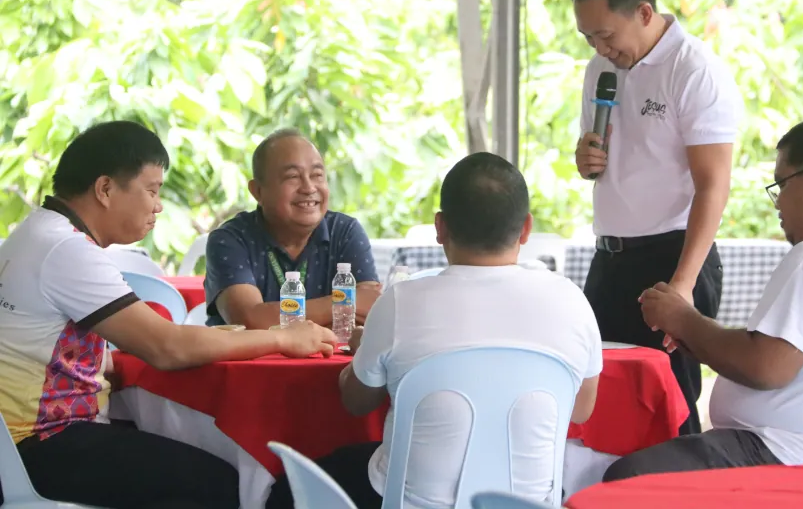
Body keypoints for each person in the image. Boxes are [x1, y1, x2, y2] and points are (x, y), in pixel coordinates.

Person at [0, 121, 334, 509]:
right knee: (220, 486)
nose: (158, 205)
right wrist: (283, 337)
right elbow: (167, 347)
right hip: (40, 443)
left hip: (25, 438)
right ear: (105, 189)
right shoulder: (67, 250)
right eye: (151, 190)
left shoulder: (37, 232)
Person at [266, 152, 604, 509]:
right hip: (526, 503)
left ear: (439, 228)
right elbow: (580, 409)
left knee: (285, 490)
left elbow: (356, 402)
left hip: (406, 502)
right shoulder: (572, 302)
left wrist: (360, 352)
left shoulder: (402, 302)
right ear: (526, 229)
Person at [603, 117, 803, 480]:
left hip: (780, 453)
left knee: (627, 479)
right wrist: (697, 337)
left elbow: (766, 366)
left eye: (782, 185)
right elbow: (794, 352)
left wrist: (683, 318)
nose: (777, 205)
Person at [572, 0, 743, 434]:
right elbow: (604, 155)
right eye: (588, 37)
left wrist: (683, 288)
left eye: (606, 34)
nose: (599, 47)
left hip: (673, 260)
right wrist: (586, 159)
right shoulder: (598, 71)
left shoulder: (693, 71)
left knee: (670, 414)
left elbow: (714, 185)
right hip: (610, 257)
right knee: (599, 402)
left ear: (644, 13)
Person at [205, 128, 381, 328]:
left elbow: (370, 308)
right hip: (253, 360)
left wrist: (275, 315)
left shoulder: (344, 232)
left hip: (331, 359)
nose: (308, 188)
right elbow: (249, 319)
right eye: (292, 177)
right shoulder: (230, 240)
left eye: (317, 175)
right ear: (258, 191)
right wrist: (345, 302)